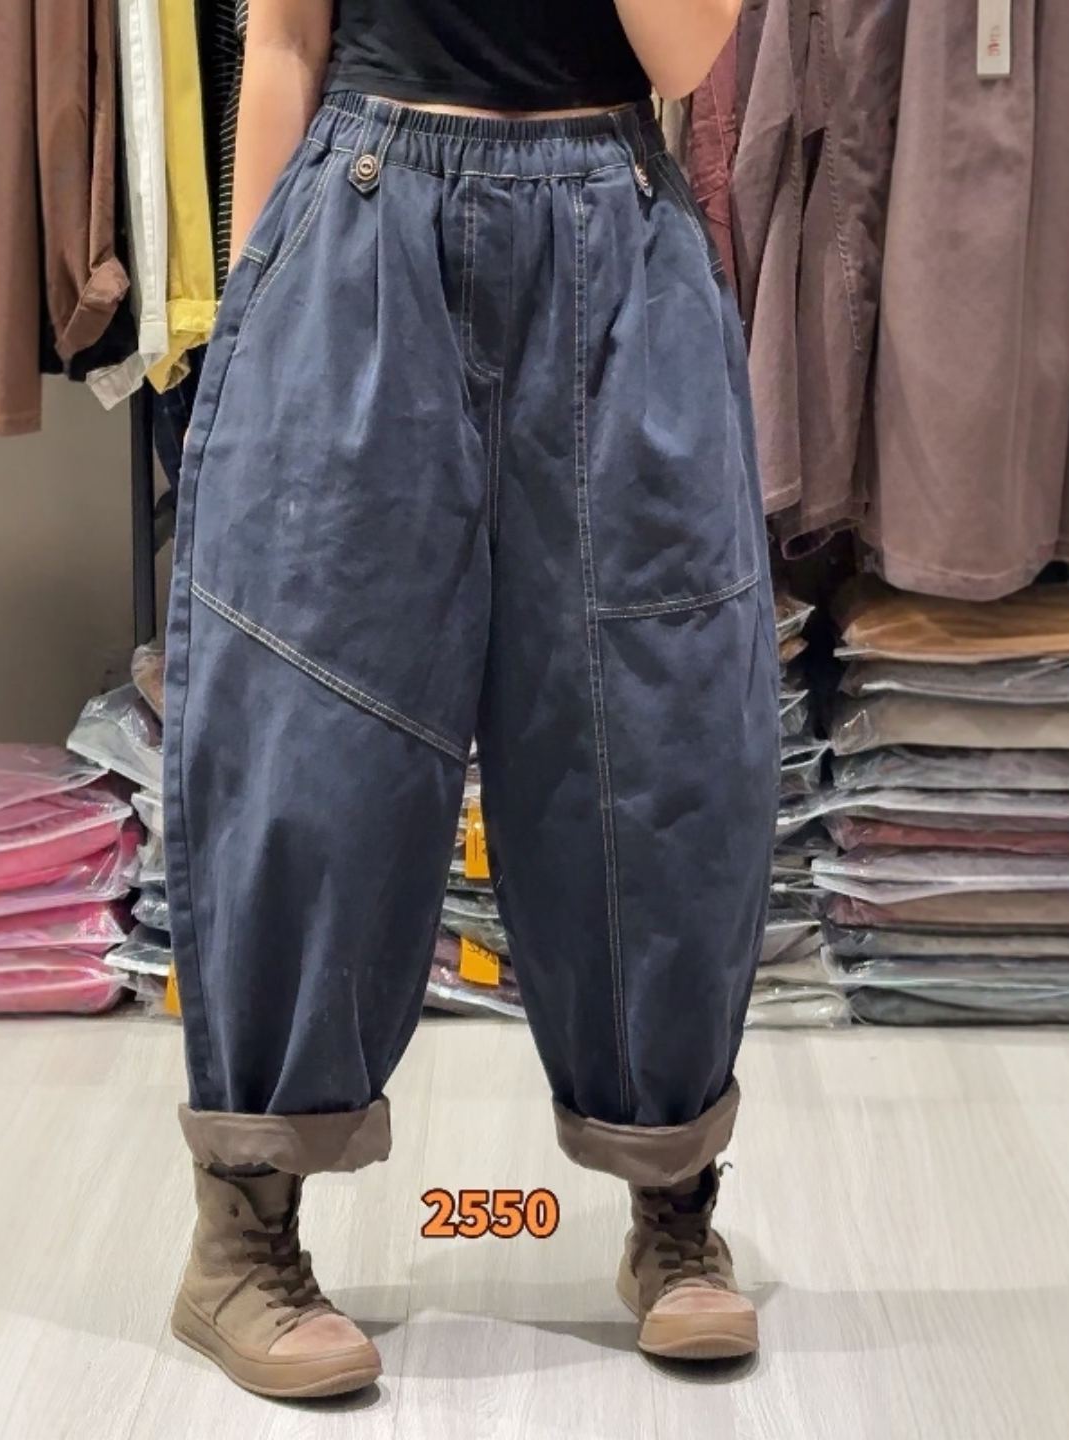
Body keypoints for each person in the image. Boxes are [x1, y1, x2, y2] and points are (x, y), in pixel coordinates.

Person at [163, 0, 777, 1400]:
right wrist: (258, 318)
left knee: (656, 733)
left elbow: (688, 56)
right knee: (310, 730)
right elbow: (284, 44)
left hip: (612, 242)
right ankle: (241, 1235)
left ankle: (674, 1213)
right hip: (364, 224)